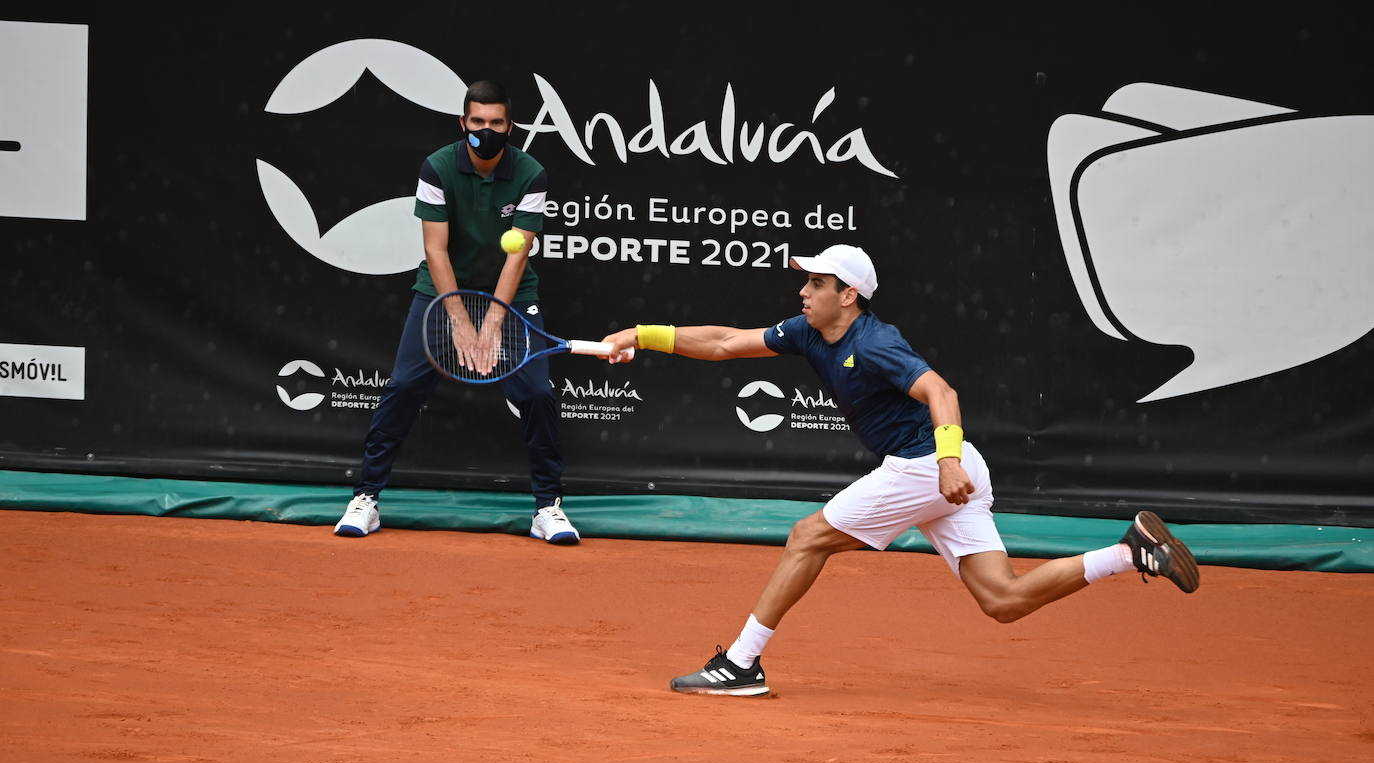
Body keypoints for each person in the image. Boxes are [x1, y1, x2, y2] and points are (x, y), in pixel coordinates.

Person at [600, 244, 1200, 696]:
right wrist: (641, 334)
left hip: (927, 467)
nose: (803, 292)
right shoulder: (809, 333)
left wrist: (943, 464)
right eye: (805, 282)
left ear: (849, 295)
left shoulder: (878, 343)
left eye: (816, 283)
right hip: (952, 470)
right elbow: (725, 342)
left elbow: (942, 391)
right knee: (1004, 601)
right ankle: (1129, 554)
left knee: (807, 537)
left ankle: (741, 663)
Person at [334, 80, 579, 545]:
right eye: (477, 122)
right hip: (441, 291)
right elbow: (436, 249)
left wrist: (491, 322)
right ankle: (366, 498)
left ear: (511, 127)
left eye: (496, 123)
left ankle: (547, 507)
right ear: (463, 123)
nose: (486, 130)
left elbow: (518, 254)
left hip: (509, 293)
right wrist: (461, 320)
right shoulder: (438, 167)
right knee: (404, 386)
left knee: (537, 394)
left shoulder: (531, 173)